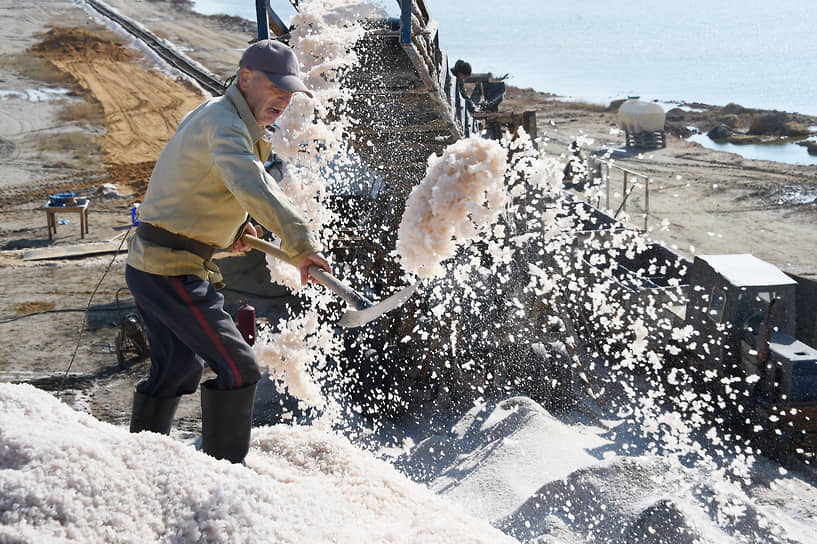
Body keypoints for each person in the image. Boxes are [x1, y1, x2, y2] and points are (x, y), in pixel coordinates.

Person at [125, 39, 330, 464]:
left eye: (290, 91)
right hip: (169, 269)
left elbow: (202, 186)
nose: (284, 99)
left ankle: (140, 463)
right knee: (240, 368)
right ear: (245, 78)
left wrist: (232, 229)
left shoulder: (222, 116)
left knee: (176, 370)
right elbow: (254, 185)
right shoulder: (225, 125)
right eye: (276, 87)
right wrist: (302, 243)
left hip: (158, 263)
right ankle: (225, 480)